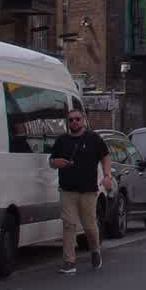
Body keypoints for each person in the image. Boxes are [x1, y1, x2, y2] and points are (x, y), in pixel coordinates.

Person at [50, 109, 112, 272]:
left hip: (88, 191)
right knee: (69, 224)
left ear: (83, 120)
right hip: (67, 190)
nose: (74, 122)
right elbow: (52, 161)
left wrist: (107, 175)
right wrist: (57, 162)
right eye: (71, 120)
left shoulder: (93, 139)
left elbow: (105, 156)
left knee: (90, 226)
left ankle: (95, 250)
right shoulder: (62, 141)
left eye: (77, 119)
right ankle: (69, 261)